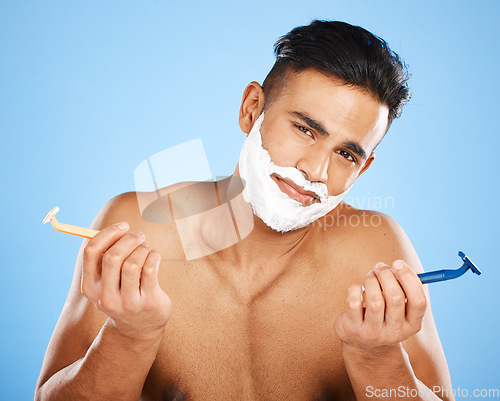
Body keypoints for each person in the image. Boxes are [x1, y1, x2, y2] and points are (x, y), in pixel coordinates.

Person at [35, 20, 454, 401]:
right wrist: (129, 336)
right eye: (305, 129)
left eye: (346, 154)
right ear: (252, 108)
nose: (316, 171)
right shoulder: (140, 225)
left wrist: (378, 359)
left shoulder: (376, 250)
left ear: (363, 167)